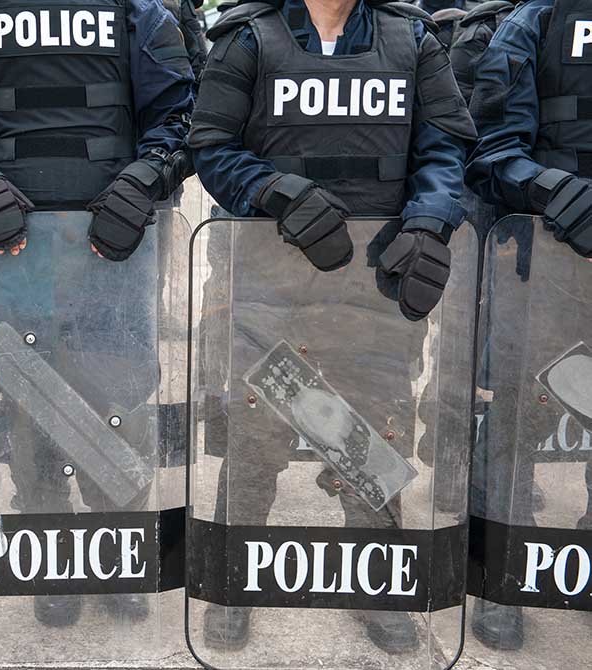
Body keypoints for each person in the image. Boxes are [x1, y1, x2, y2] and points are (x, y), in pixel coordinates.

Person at [188, 0, 474, 654]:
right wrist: (278, 192)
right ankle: (236, 573)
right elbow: (210, 147)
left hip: (375, 281)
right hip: (267, 280)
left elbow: (443, 147)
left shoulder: (410, 39)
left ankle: (376, 580)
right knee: (256, 428)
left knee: (373, 429)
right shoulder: (248, 38)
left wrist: (429, 220)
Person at [0, 0, 193, 626]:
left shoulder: (139, 15)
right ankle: (53, 553)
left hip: (112, 259)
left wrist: (146, 178)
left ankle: (116, 551)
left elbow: (185, 121)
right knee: (30, 419)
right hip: (11, 259)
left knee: (119, 409)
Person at [465, 0, 592, 651]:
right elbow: (489, 152)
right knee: (520, 417)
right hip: (545, 262)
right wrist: (559, 194)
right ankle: (500, 572)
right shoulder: (536, 22)